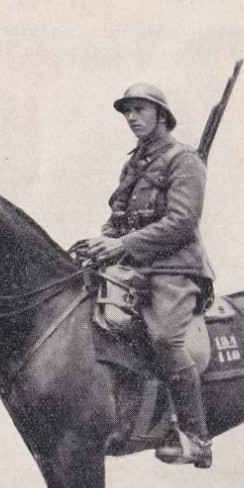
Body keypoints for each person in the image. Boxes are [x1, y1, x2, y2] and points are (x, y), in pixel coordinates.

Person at [77, 83, 216, 468]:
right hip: (137, 267)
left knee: (165, 338)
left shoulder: (183, 159)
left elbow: (182, 222)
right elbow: (119, 215)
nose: (132, 118)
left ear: (160, 114)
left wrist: (123, 245)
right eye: (127, 112)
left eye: (139, 110)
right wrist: (102, 240)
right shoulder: (134, 163)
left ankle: (196, 437)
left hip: (176, 268)